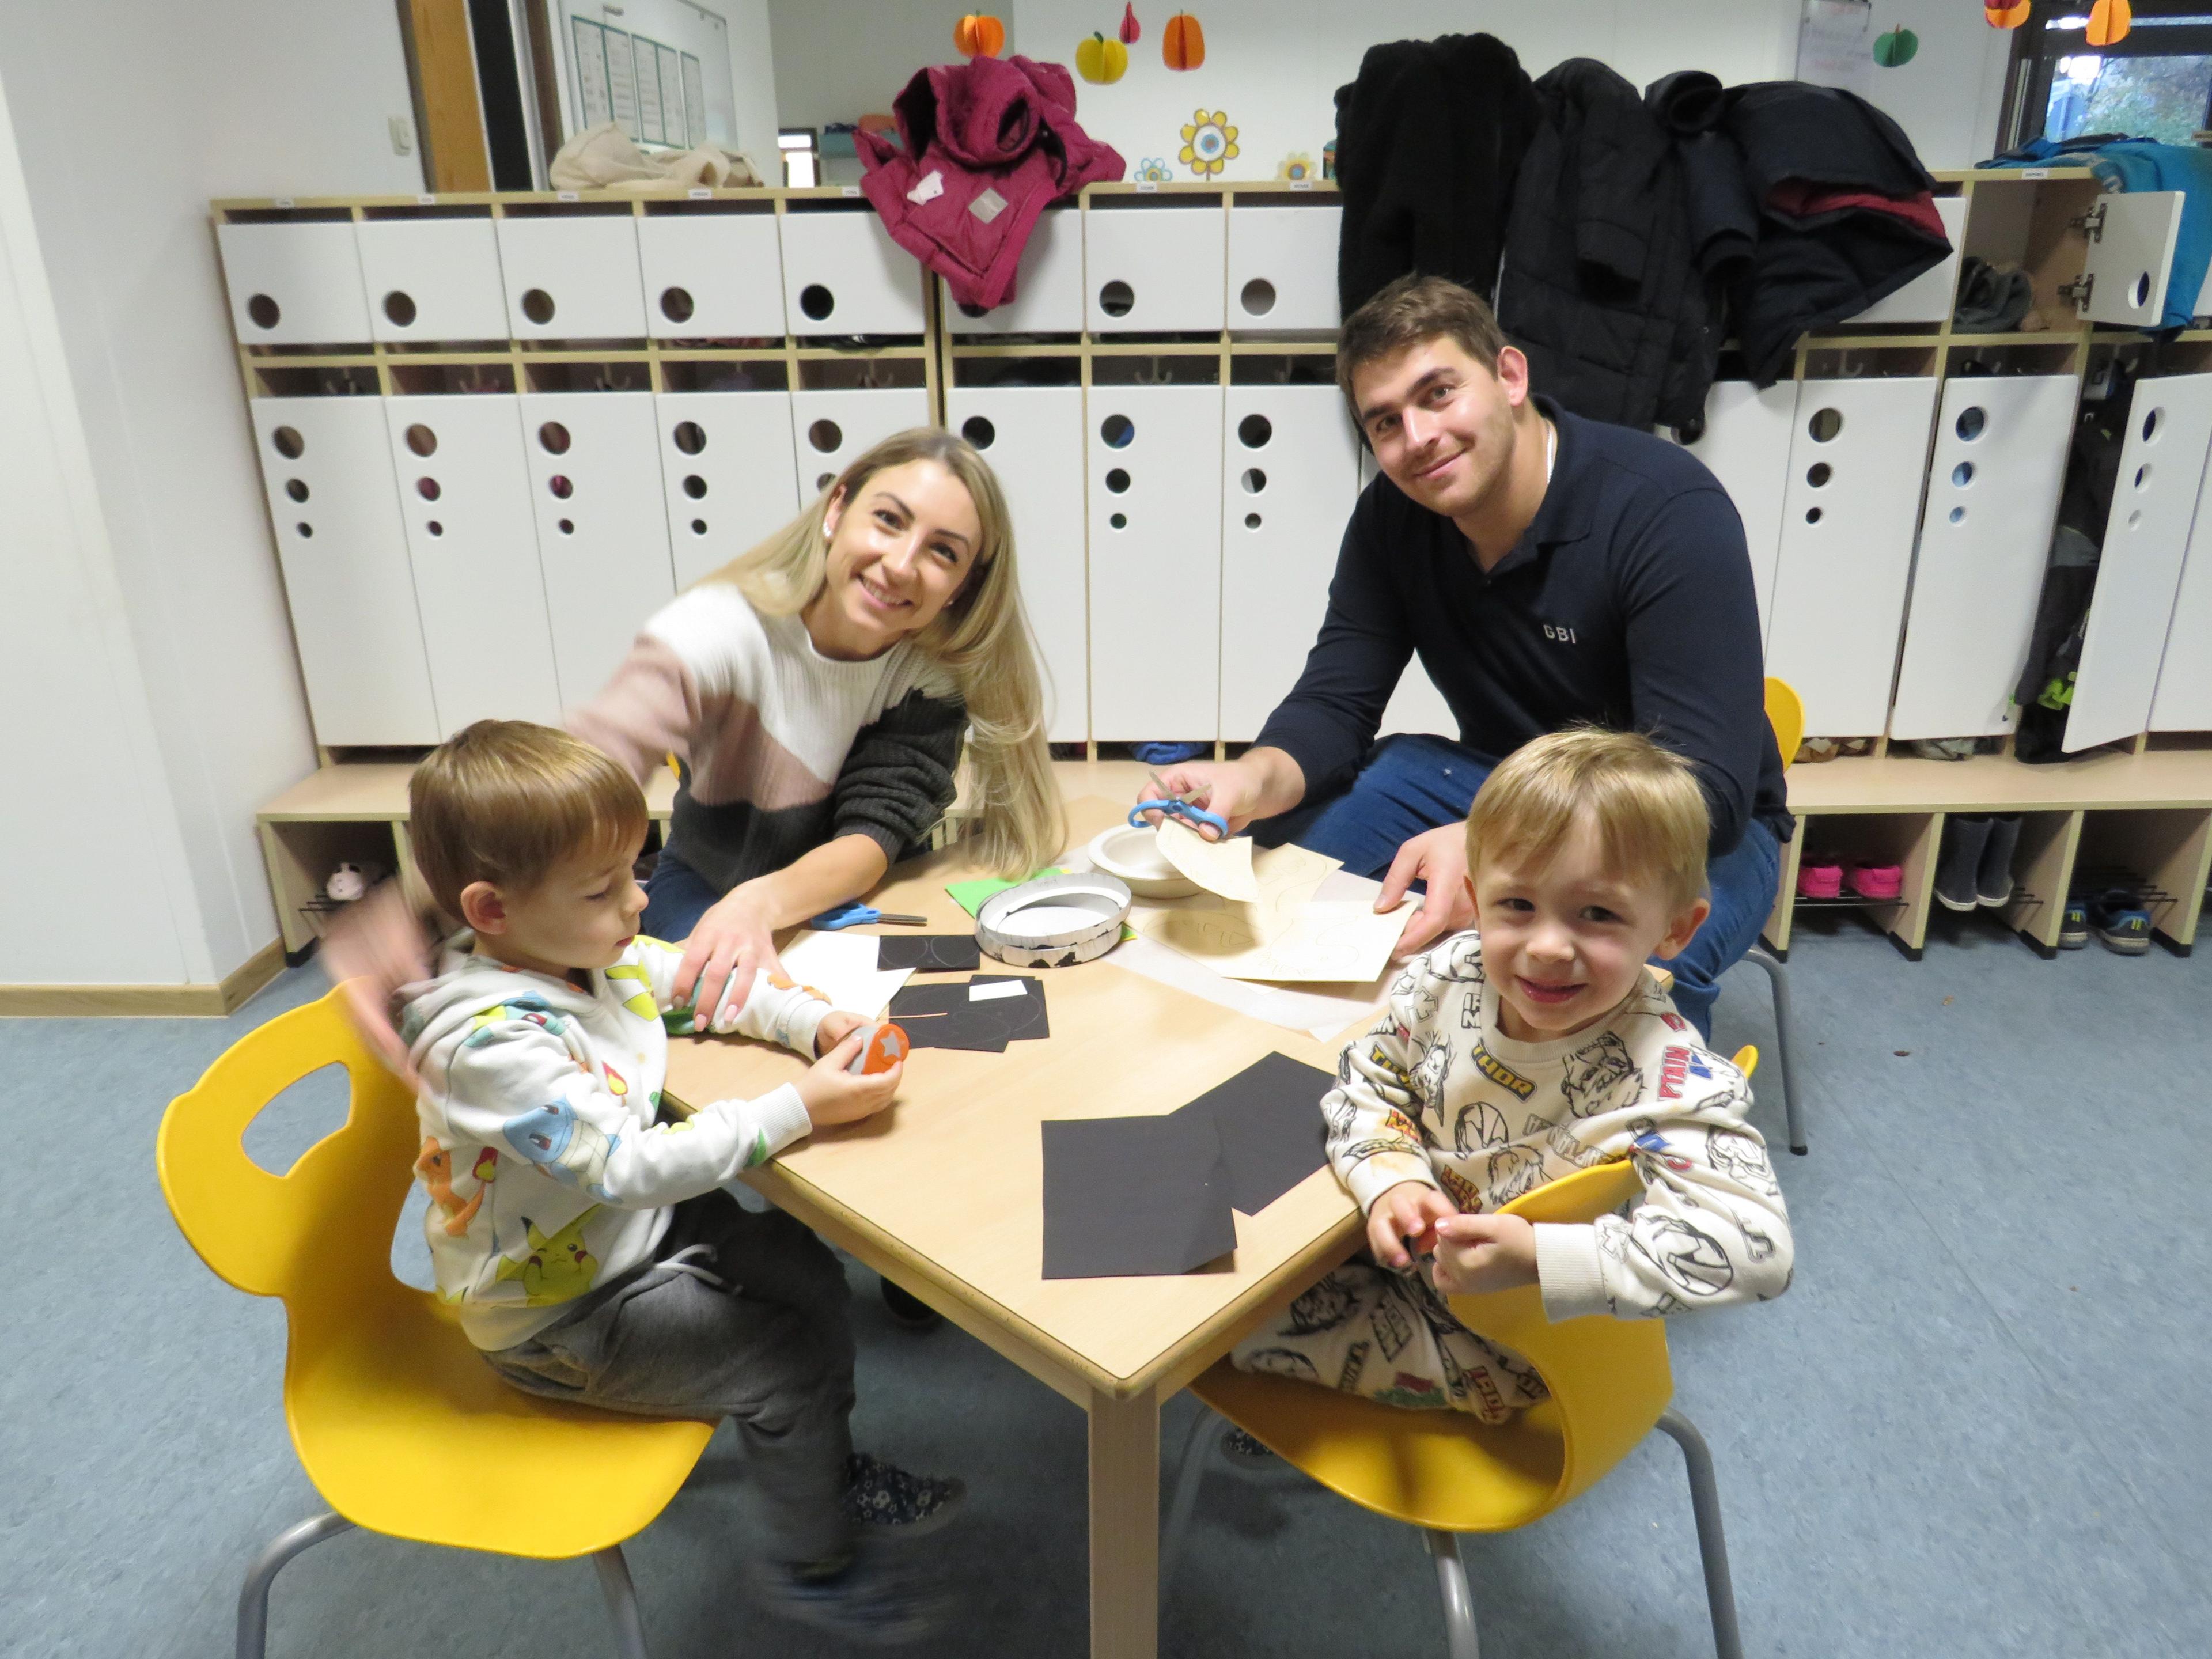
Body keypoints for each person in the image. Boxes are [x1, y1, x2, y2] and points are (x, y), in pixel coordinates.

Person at [328, 428, 1060, 1327]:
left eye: (943, 552)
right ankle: (748, 1228)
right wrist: (413, 903)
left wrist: (767, 903)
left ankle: (910, 1245)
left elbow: (876, 833)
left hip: (834, 898)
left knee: (931, 1041)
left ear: (965, 583)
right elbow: (586, 773)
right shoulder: (719, 631)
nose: (902, 564)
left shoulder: (926, 670)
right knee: (718, 1049)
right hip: (702, 886)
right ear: (837, 510)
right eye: (888, 520)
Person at [399, 720, 958, 1641]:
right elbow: (627, 1167)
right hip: (559, 1313)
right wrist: (798, 1107)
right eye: (603, 888)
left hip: (628, 1239)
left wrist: (808, 1023)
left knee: (805, 1268)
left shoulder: (583, 951)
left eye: (635, 869)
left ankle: (819, 1470)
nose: (638, 902)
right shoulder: (492, 1049)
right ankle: (814, 1566)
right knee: (784, 1358)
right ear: (492, 910)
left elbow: (697, 981)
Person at [1139, 276, 1790, 1038]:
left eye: (1439, 394)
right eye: (1386, 422)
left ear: (1509, 377)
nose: (1417, 437)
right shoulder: (1393, 517)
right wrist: (1250, 777)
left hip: (1685, 826)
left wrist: (1505, 848)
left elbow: (1706, 793)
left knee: (1613, 984)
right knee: (1277, 884)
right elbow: (1336, 701)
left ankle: (1630, 1111)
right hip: (1496, 779)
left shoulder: (1665, 508)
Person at [1229, 728, 1793, 1421]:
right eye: (1517, 906)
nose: (1548, 947)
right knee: (1232, 1253)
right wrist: (1393, 1177)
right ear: (1475, 897)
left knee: (1217, 1329)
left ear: (1677, 929)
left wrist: (1539, 1257)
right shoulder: (1450, 973)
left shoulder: (1670, 1078)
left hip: (1492, 1345)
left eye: (1598, 914)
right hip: (1401, 1249)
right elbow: (1366, 1080)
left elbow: (1758, 1253)